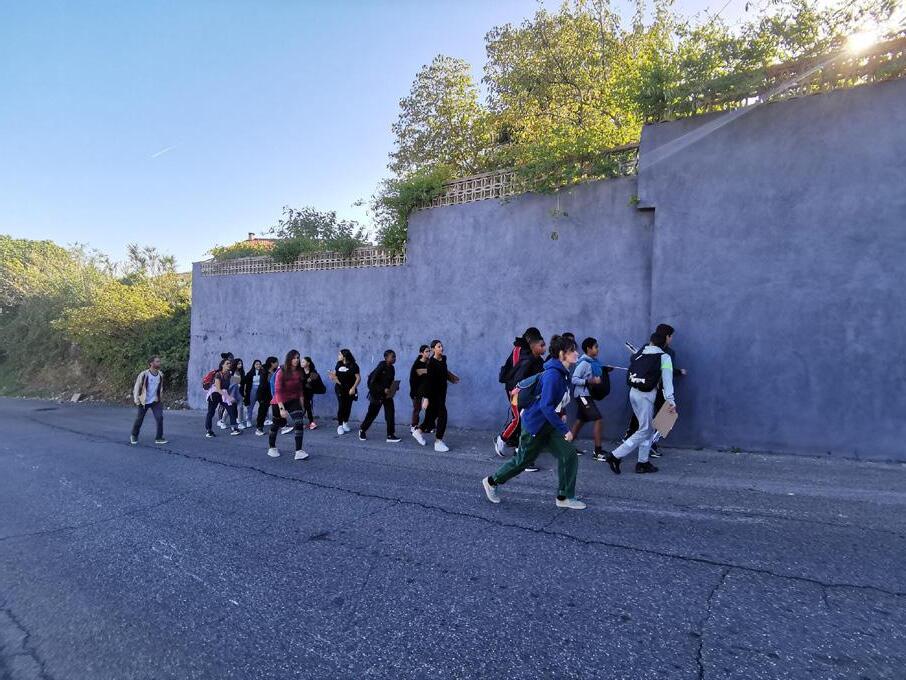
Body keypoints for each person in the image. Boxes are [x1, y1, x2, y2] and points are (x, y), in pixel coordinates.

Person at [481, 335, 586, 510]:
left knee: (568, 455)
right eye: (572, 351)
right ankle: (492, 481)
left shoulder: (562, 373)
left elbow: (556, 400)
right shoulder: (553, 375)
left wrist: (561, 415)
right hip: (535, 426)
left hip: (548, 425)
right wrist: (564, 429)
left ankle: (564, 497)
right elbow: (545, 406)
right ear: (562, 354)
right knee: (522, 461)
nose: (576, 353)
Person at [599, 332, 676, 473]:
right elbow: (667, 381)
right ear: (664, 343)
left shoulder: (640, 353)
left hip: (633, 392)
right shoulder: (664, 357)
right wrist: (671, 401)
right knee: (645, 429)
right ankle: (615, 455)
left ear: (651, 341)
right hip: (647, 395)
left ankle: (643, 462)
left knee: (648, 428)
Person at [622, 323, 685, 457]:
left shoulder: (647, 347)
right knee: (667, 417)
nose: (671, 339)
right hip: (657, 390)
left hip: (643, 389)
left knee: (646, 418)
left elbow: (634, 360)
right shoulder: (667, 353)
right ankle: (645, 445)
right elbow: (668, 372)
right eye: (671, 336)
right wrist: (679, 372)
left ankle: (635, 439)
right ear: (667, 337)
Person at [494, 328, 546, 457]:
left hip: (525, 390)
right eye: (540, 343)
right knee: (518, 418)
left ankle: (516, 443)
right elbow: (517, 374)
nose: (543, 346)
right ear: (529, 340)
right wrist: (516, 391)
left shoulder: (532, 355)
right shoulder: (520, 351)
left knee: (522, 418)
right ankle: (506, 440)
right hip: (515, 389)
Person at [412, 339, 460, 452]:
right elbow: (428, 382)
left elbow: (444, 372)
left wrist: (452, 378)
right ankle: (438, 442)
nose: (441, 348)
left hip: (442, 393)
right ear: (433, 349)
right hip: (433, 394)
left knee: (431, 417)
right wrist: (426, 398)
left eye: (441, 346)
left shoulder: (443, 359)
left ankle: (418, 431)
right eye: (438, 346)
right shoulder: (431, 364)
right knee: (443, 415)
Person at [570, 337, 612, 458]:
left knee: (580, 421)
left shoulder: (593, 362)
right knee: (598, 419)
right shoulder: (584, 363)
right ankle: (597, 451)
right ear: (589, 349)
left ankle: (566, 447)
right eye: (595, 347)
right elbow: (574, 379)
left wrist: (605, 370)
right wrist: (589, 381)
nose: (598, 349)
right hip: (582, 396)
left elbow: (596, 373)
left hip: (586, 396)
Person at [266, 350, 309, 461]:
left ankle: (299, 451)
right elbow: (277, 391)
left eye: (298, 357)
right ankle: (272, 447)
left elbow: (300, 389)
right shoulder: (282, 371)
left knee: (299, 422)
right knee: (276, 424)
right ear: (289, 359)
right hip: (279, 401)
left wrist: (302, 405)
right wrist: (281, 409)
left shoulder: (299, 371)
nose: (296, 360)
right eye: (294, 358)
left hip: (293, 400)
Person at [359, 350, 402, 443]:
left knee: (390, 415)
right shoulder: (381, 367)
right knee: (372, 414)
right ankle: (362, 430)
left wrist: (394, 387)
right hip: (377, 395)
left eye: (395, 356)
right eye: (392, 357)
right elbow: (371, 383)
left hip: (387, 396)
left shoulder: (392, 368)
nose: (394, 358)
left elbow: (390, 381)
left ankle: (390, 435)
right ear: (386, 358)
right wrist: (383, 389)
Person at [130, 356, 167, 445]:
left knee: (159, 418)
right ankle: (134, 435)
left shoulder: (160, 375)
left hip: (155, 401)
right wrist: (137, 400)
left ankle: (159, 438)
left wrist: (160, 398)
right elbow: (137, 387)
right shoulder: (144, 374)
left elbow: (160, 387)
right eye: (157, 361)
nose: (159, 363)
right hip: (144, 401)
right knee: (139, 419)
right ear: (151, 363)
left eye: (159, 361)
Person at [205, 358, 240, 437]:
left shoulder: (229, 374)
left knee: (231, 408)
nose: (229, 365)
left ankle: (234, 428)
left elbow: (237, 381)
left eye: (229, 363)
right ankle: (209, 431)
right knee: (211, 412)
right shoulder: (218, 374)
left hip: (223, 394)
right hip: (215, 394)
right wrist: (229, 397)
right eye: (227, 363)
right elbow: (218, 389)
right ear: (222, 365)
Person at [328, 349, 360, 435]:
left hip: (350, 389)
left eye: (339, 354)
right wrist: (332, 375)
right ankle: (339, 426)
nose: (338, 356)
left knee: (348, 406)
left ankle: (345, 422)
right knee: (341, 405)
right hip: (339, 388)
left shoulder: (353, 365)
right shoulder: (338, 364)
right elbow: (335, 374)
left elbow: (358, 378)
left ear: (344, 356)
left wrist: (353, 388)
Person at [254, 356, 279, 436]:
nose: (278, 363)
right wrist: (262, 397)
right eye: (276, 362)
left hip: (273, 394)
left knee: (277, 409)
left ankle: (282, 425)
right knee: (263, 411)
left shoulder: (275, 371)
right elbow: (263, 385)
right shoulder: (264, 371)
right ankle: (259, 428)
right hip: (264, 394)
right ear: (272, 363)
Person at [409, 345, 431, 432]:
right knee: (417, 409)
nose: (428, 353)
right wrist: (414, 392)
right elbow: (412, 379)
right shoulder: (417, 364)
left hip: (427, 390)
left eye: (429, 351)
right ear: (421, 353)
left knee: (430, 408)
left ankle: (429, 425)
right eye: (426, 351)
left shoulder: (429, 362)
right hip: (417, 391)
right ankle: (413, 426)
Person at [301, 356, 322, 430]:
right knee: (305, 406)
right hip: (300, 391)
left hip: (308, 392)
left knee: (307, 405)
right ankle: (307, 422)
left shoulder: (313, 372)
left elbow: (313, 383)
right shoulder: (300, 371)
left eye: (303, 362)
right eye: (301, 362)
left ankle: (311, 422)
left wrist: (308, 382)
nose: (301, 363)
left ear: (308, 363)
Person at [241, 359, 263, 429]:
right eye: (257, 364)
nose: (258, 365)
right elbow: (243, 380)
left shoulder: (263, 372)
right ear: (254, 365)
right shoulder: (250, 373)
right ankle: (248, 420)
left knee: (263, 405)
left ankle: (265, 419)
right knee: (250, 406)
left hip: (261, 390)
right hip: (252, 390)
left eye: (259, 364)